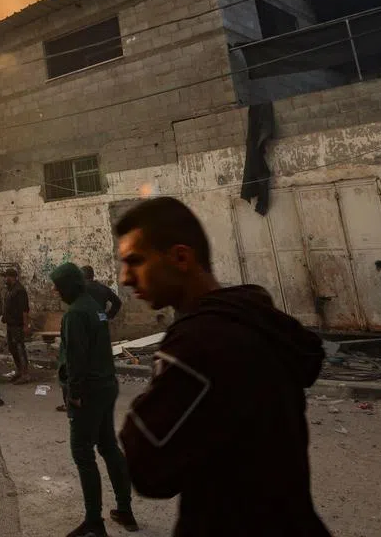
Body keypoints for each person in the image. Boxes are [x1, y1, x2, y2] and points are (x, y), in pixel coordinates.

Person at [115, 197, 331, 536]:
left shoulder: (199, 342)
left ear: (181, 258)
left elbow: (147, 467)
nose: (125, 278)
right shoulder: (255, 322)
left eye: (135, 261)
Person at [51, 263, 136, 537]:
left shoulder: (75, 314)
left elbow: (76, 357)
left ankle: (93, 521)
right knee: (109, 446)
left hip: (88, 391)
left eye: (58, 287)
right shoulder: (95, 307)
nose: (56, 292)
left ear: (69, 287)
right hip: (106, 384)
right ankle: (124, 509)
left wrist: (74, 394)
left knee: (82, 452)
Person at [2, 269, 30, 383]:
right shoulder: (10, 290)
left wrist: (25, 325)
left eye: (6, 277)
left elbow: (25, 310)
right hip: (10, 324)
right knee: (12, 348)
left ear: (12, 277)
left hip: (17, 324)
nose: (5, 279)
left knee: (19, 348)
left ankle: (25, 374)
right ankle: (19, 370)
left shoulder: (19, 290)